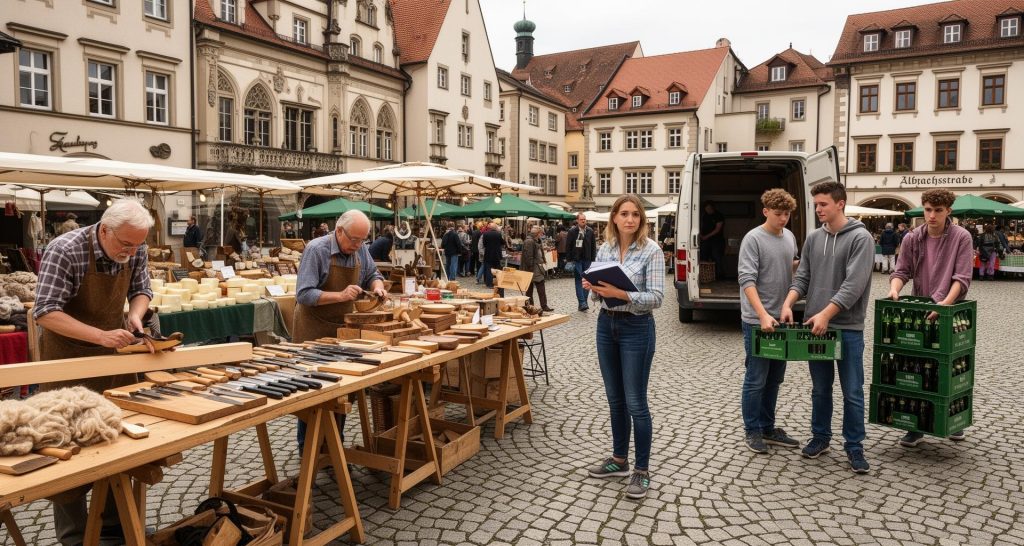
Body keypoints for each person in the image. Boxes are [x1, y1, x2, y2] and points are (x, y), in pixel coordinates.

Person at [34, 199, 155, 546]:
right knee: (67, 443)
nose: (131, 252)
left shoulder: (136, 245)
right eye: (125, 245)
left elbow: (142, 290)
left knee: (118, 440)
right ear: (104, 229)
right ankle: (74, 537)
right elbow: (44, 311)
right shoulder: (66, 250)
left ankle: (115, 527)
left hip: (113, 357)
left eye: (137, 245)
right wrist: (99, 336)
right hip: (69, 358)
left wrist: (135, 315)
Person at [780, 181, 873, 474]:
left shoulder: (861, 238)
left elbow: (854, 286)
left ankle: (854, 446)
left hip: (847, 327)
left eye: (823, 204)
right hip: (815, 327)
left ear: (840, 203)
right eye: (816, 204)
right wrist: (788, 301)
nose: (818, 209)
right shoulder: (814, 238)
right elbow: (803, 277)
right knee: (820, 389)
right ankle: (820, 437)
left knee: (852, 391)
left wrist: (825, 314)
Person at [582, 194, 664, 499]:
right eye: (624, 214)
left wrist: (624, 293)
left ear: (641, 220)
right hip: (607, 325)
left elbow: (656, 297)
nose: (630, 219)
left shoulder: (652, 251)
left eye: (635, 214)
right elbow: (598, 297)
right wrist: (592, 288)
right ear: (614, 218)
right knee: (615, 400)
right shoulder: (606, 248)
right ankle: (619, 460)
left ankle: (641, 471)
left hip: (636, 329)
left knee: (635, 403)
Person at [294, 210, 387, 447]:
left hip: (342, 331)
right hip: (313, 329)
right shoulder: (317, 250)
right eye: (354, 240)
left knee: (342, 389)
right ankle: (308, 448)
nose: (357, 245)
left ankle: (335, 444)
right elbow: (304, 294)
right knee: (314, 391)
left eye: (362, 240)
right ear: (338, 231)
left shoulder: (360, 250)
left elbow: (373, 274)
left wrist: (377, 286)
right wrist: (340, 295)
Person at [889, 189, 974, 447]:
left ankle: (952, 420)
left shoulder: (962, 237)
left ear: (949, 210)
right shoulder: (913, 237)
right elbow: (901, 270)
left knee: (948, 366)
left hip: (950, 310)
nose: (932, 215)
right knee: (915, 364)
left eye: (938, 210)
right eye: (927, 210)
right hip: (920, 306)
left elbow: (962, 278)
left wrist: (945, 304)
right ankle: (915, 425)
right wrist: (894, 289)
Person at [738, 189, 801, 454]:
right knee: (756, 378)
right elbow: (747, 280)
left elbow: (790, 266)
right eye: (778, 214)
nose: (783, 219)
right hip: (757, 321)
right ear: (766, 212)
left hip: (781, 318)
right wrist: (762, 314)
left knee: (775, 378)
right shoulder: (753, 238)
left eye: (787, 214)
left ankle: (768, 427)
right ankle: (752, 430)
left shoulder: (789, 236)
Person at [567, 212, 597, 311]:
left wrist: (593, 260)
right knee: (579, 280)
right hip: (577, 260)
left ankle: (584, 302)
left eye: (584, 219)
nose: (583, 221)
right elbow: (568, 246)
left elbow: (593, 247)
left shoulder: (590, 231)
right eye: (581, 219)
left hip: (587, 259)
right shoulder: (572, 231)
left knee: (587, 281)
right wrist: (569, 260)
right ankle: (582, 302)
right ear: (577, 221)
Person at [521, 225, 553, 311]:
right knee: (530, 288)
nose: (542, 234)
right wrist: (531, 269)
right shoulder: (529, 241)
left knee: (539, 286)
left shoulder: (536, 240)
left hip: (537, 267)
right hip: (532, 268)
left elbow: (538, 253)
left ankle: (543, 305)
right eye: (541, 233)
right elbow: (528, 257)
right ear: (538, 233)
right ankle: (531, 306)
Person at [699, 201, 726, 279]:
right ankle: (705, 276)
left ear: (713, 208)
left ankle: (719, 277)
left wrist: (706, 236)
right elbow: (702, 226)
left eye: (709, 208)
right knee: (704, 257)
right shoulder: (704, 215)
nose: (708, 210)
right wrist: (700, 234)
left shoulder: (719, 215)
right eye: (706, 209)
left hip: (717, 240)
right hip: (705, 240)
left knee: (717, 258)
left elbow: (717, 229)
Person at [481, 221, 504, 295]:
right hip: (497, 254)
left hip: (488, 253)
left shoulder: (485, 234)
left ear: (490, 228)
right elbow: (502, 242)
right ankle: (498, 282)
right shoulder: (498, 234)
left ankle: (489, 283)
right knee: (497, 269)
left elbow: (484, 244)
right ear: (495, 228)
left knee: (488, 269)